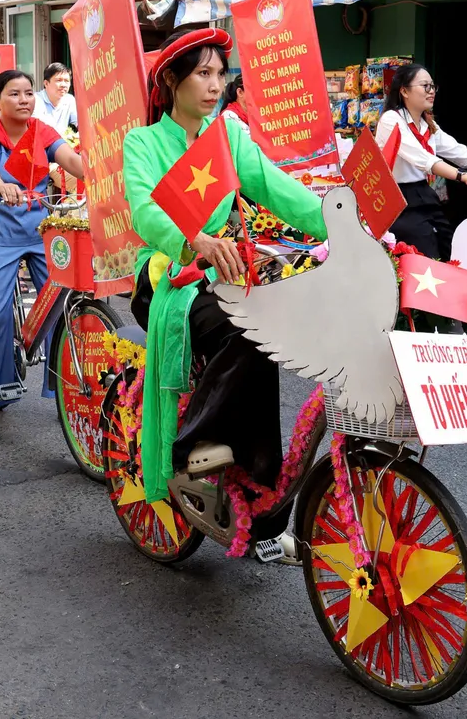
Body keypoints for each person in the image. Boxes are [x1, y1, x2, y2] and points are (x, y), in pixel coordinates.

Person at [122, 28, 328, 545]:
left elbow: (279, 189)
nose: (216, 85)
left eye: (220, 73)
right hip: (166, 278)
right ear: (173, 81)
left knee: (268, 335)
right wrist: (193, 239)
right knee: (247, 327)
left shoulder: (229, 137)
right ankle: (191, 447)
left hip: (224, 272)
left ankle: (261, 504)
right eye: (203, 73)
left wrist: (345, 225)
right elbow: (144, 210)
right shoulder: (142, 143)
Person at [0, 69, 85, 451]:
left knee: (68, 302)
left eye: (29, 93)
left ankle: (64, 389)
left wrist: (107, 171)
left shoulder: (41, 131)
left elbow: (72, 161)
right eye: (14, 93)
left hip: (39, 232)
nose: (24, 99)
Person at [376, 64, 467, 260]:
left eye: (433, 86)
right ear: (404, 91)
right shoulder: (391, 120)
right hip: (398, 199)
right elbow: (423, 159)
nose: (431, 91)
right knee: (426, 255)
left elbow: (461, 153)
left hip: (423, 193)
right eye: (425, 86)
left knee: (450, 247)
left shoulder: (427, 123)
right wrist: (465, 177)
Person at [32, 62, 78, 137]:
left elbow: (79, 124)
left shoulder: (70, 99)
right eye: (59, 80)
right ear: (46, 83)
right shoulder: (35, 100)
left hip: (61, 142)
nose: (63, 85)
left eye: (66, 81)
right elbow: (38, 131)